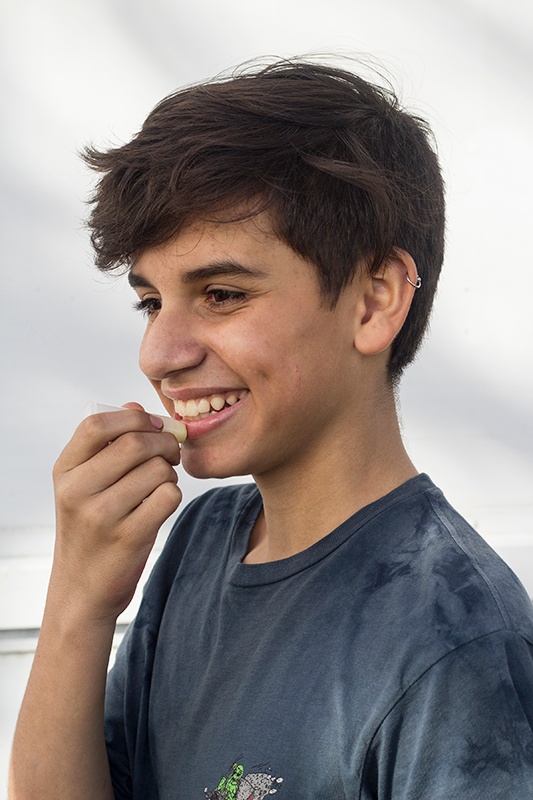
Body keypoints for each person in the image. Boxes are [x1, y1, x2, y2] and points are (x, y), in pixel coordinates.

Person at [9, 58, 533, 800]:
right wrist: (77, 603)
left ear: (374, 299)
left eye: (220, 294)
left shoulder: (456, 643)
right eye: (150, 301)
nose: (159, 353)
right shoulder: (202, 541)